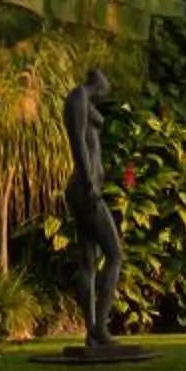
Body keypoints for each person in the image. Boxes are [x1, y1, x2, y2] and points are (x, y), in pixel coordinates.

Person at [60, 69, 125, 352]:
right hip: (85, 189)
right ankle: (100, 327)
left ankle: (93, 333)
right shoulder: (78, 97)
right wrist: (89, 181)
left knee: (89, 259)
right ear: (98, 85)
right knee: (115, 254)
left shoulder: (85, 100)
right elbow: (78, 144)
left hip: (87, 187)